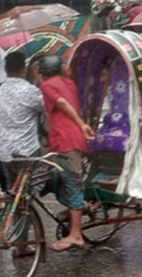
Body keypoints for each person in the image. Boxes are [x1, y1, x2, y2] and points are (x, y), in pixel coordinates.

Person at [38, 55, 95, 252]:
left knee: (71, 184)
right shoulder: (69, 83)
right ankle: (82, 206)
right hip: (68, 140)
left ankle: (76, 234)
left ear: (43, 74)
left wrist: (81, 124)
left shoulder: (47, 86)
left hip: (67, 141)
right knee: (58, 180)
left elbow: (62, 103)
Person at [0, 51, 44, 188]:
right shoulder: (30, 91)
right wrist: (38, 79)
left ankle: (12, 206)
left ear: (5, 69)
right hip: (27, 150)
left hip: (4, 150)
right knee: (28, 188)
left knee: (12, 188)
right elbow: (47, 109)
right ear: (24, 69)